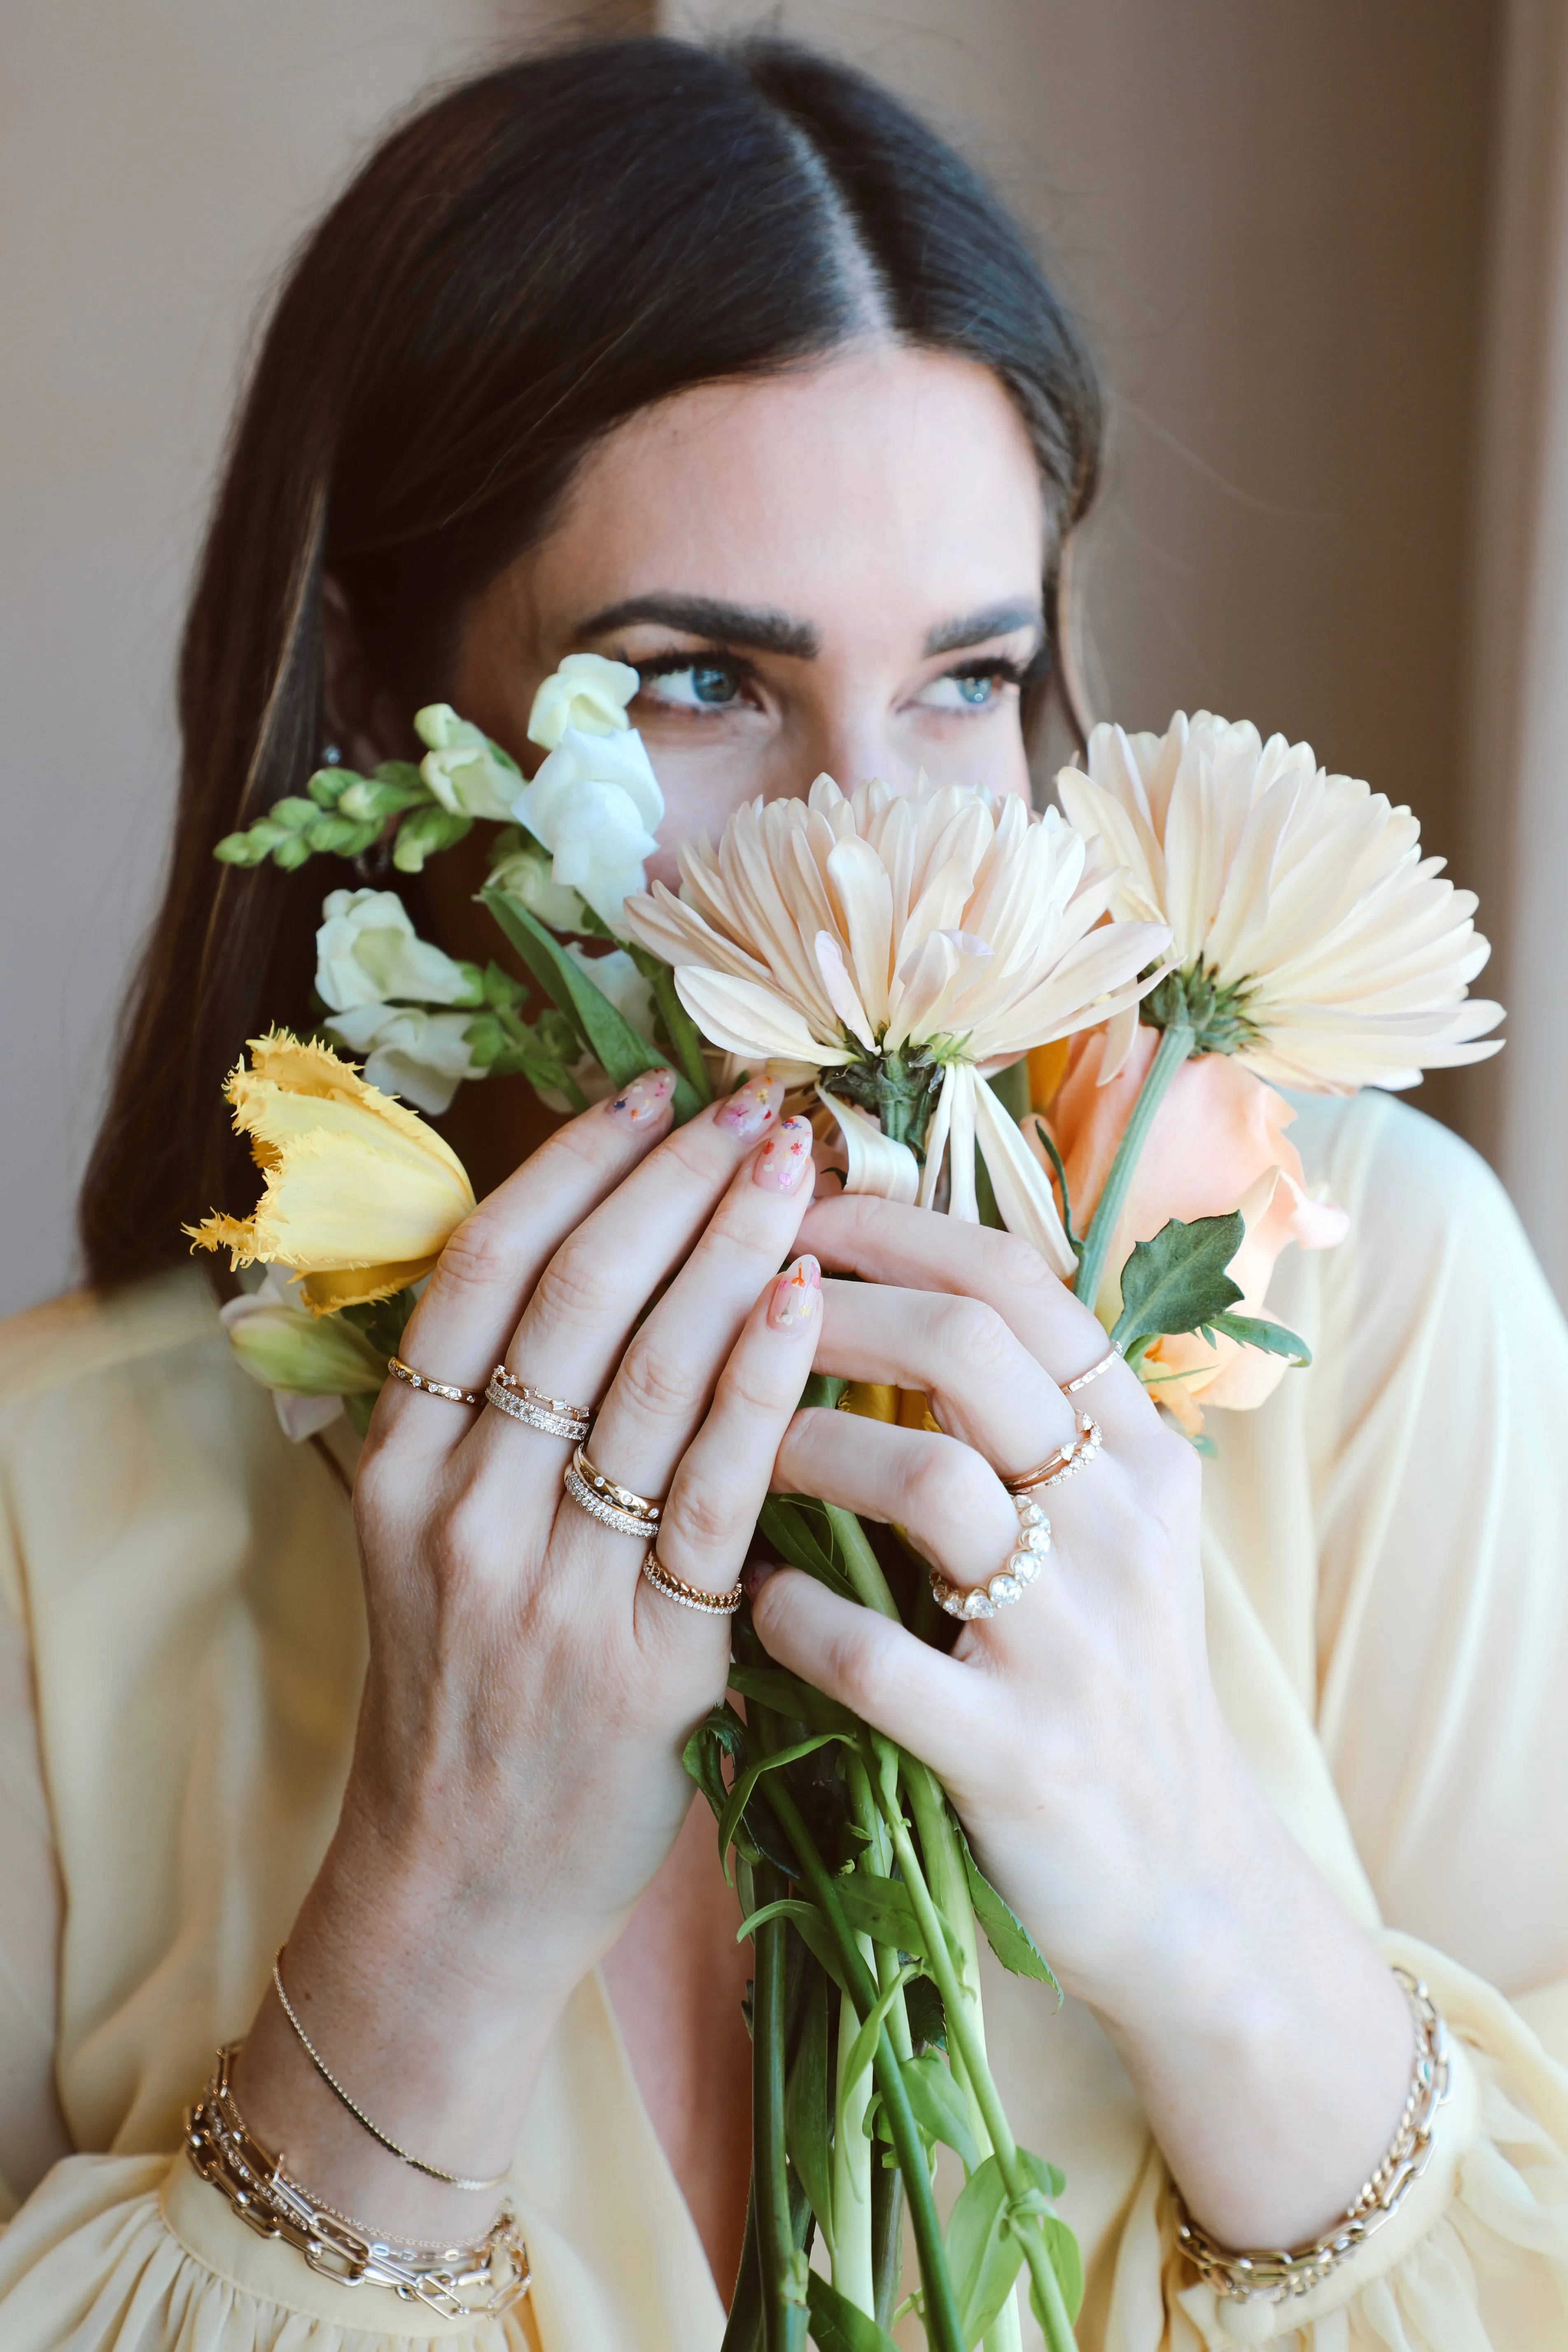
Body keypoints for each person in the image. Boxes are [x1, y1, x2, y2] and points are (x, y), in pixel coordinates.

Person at [1, 31, 1565, 2352]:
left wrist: (1204, 1903)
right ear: (378, 697)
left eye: (965, 684)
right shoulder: (58, 1502)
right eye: (700, 683)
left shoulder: (1370, 1304)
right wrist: (433, 1915)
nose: (878, 847)